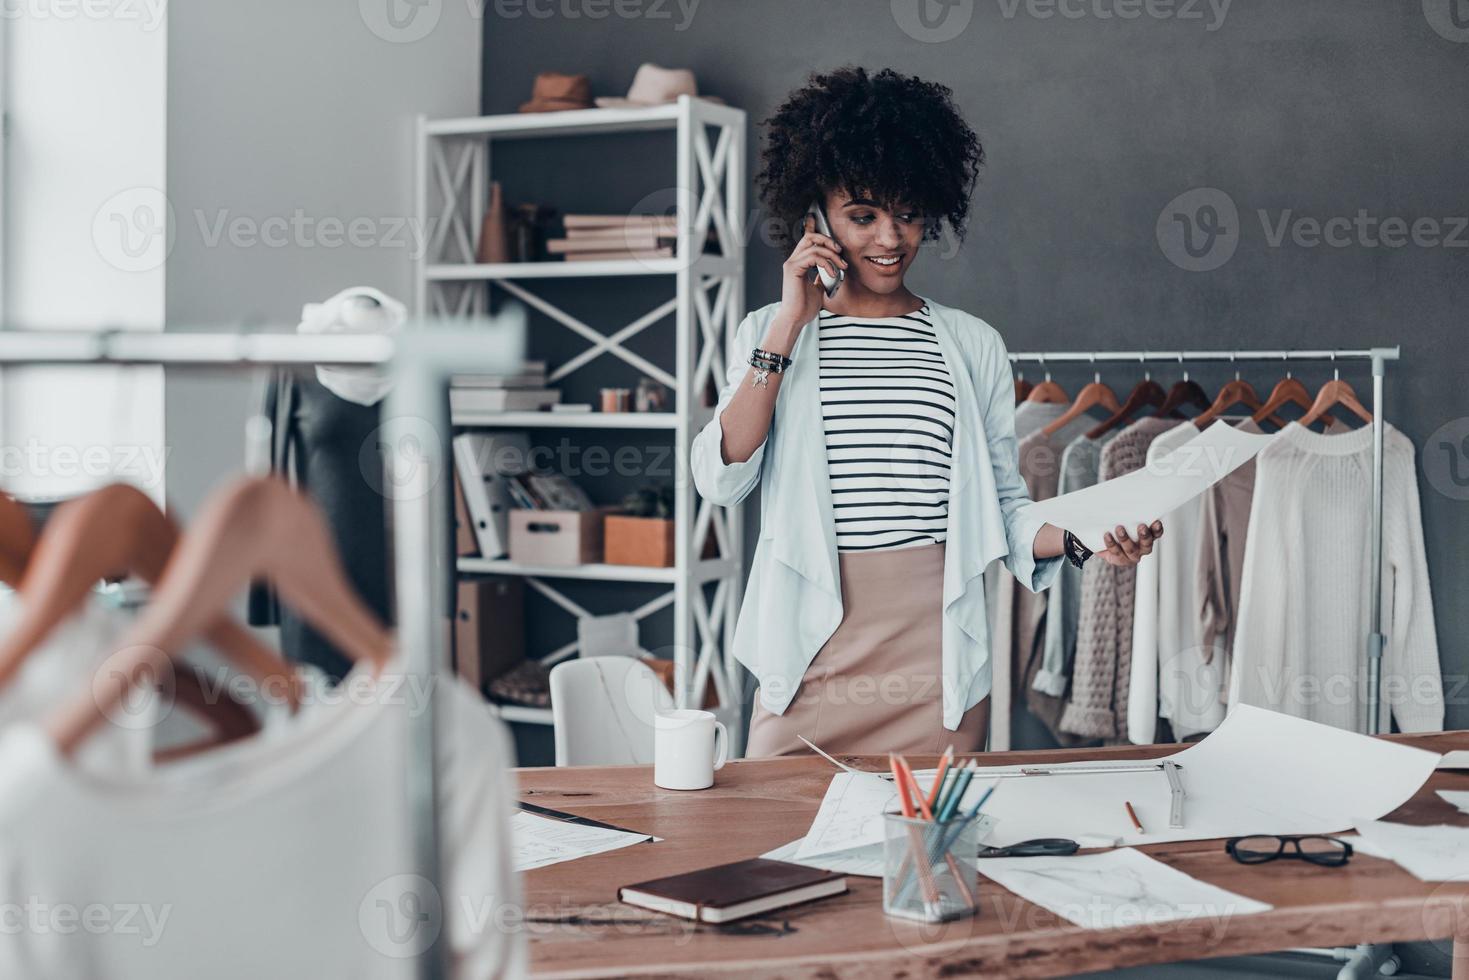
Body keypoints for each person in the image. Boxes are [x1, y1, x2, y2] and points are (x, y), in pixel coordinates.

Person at [691, 66, 1163, 758]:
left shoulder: (970, 343)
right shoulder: (772, 330)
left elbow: (1002, 507)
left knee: (926, 850)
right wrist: (789, 324)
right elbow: (721, 476)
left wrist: (1081, 536)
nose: (890, 238)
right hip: (809, 643)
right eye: (863, 216)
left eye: (907, 214)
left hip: (934, 653)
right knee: (779, 851)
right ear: (815, 217)